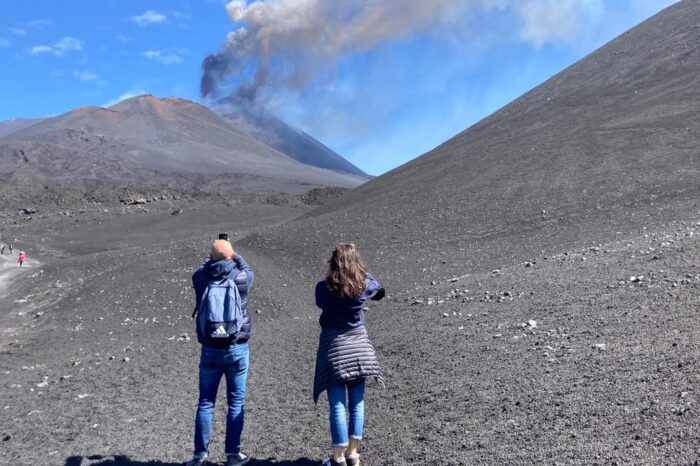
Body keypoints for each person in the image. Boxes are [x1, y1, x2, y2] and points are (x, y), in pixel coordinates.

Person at [313, 243, 386, 466]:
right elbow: (380, 291)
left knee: (337, 403)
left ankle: (337, 457)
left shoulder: (324, 288)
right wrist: (358, 269)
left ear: (333, 262)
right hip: (359, 347)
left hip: (334, 348)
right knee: (357, 402)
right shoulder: (363, 285)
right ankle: (353, 454)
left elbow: (319, 302)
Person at [188, 239, 254, 466]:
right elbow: (248, 269)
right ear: (231, 256)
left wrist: (211, 256)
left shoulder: (201, 280)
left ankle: (200, 456)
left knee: (206, 402)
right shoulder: (241, 279)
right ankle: (233, 454)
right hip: (237, 348)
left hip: (210, 350)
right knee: (236, 403)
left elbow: (200, 269)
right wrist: (233, 253)